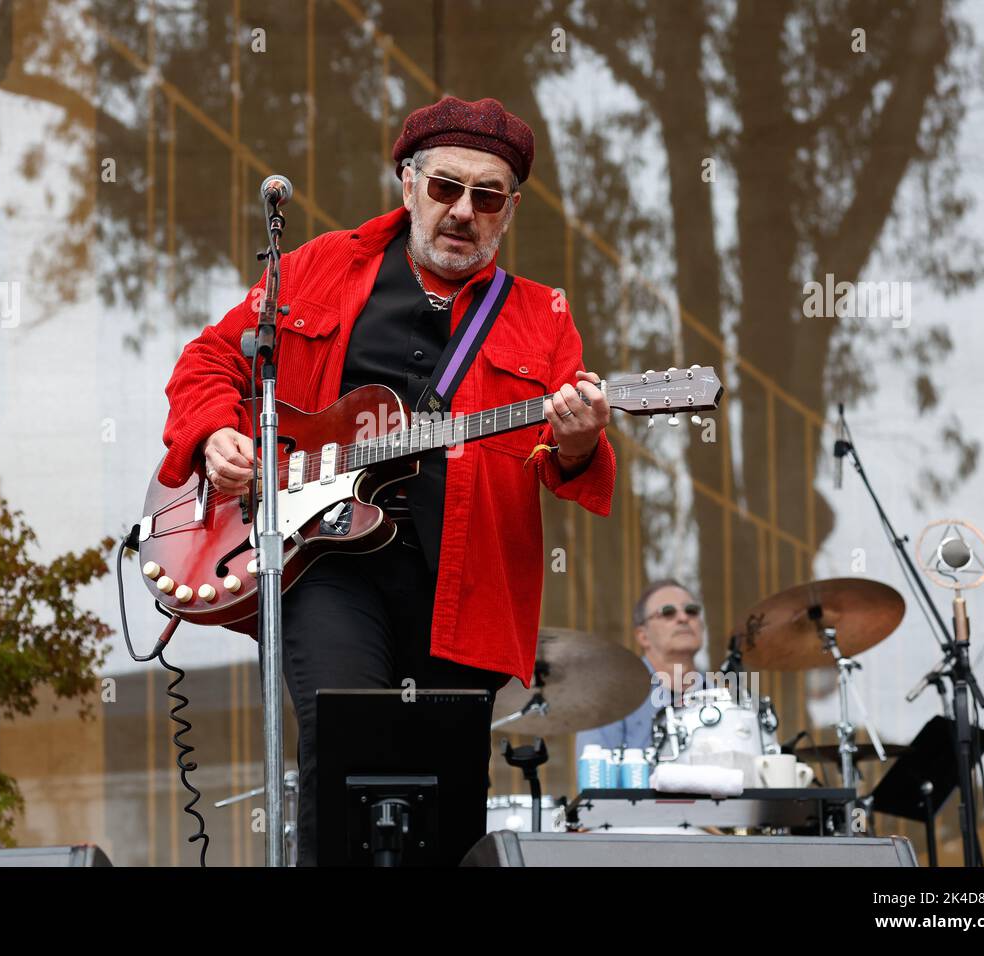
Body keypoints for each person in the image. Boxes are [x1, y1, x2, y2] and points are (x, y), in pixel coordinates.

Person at [159, 95, 616, 864]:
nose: (463, 211)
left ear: (509, 211)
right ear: (408, 185)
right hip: (327, 564)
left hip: (467, 588)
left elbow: (566, 465)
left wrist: (578, 441)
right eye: (445, 188)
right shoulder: (317, 266)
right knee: (347, 743)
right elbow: (210, 360)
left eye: (487, 196)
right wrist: (217, 433)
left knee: (448, 791)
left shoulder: (542, 317)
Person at [575, 579, 705, 756]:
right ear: (643, 636)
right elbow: (595, 776)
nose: (683, 618)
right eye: (668, 612)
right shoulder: (610, 695)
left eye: (691, 611)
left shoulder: (723, 694)